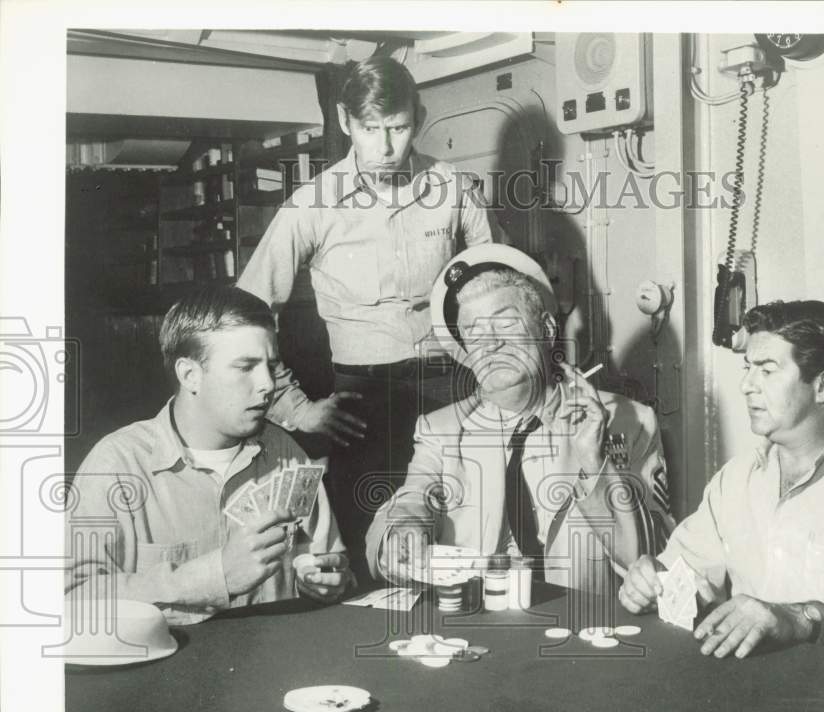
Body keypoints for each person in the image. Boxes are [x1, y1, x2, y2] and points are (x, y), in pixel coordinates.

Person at [237, 55, 494, 587]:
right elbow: (247, 313)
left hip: (448, 386)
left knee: (457, 534)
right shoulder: (311, 204)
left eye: (397, 129)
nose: (384, 147)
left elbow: (498, 287)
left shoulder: (453, 188)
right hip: (362, 402)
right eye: (370, 129)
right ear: (344, 121)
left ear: (416, 120)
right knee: (368, 553)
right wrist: (295, 409)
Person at [620, 300, 824, 662]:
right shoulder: (737, 477)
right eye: (747, 368)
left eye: (766, 371)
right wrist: (652, 580)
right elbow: (687, 570)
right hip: (751, 691)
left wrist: (800, 618)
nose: (746, 385)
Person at [365, 244, 675, 591]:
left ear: (545, 327)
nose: (490, 343)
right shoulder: (441, 430)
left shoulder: (627, 421)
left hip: (583, 630)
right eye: (474, 332)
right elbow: (412, 498)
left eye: (505, 323)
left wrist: (594, 461)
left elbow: (650, 563)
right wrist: (406, 528)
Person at [65, 287, 353, 626]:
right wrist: (216, 575)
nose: (267, 385)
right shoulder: (116, 465)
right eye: (245, 367)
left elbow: (335, 566)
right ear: (189, 375)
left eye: (271, 366)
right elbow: (69, 601)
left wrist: (329, 582)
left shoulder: (287, 453)